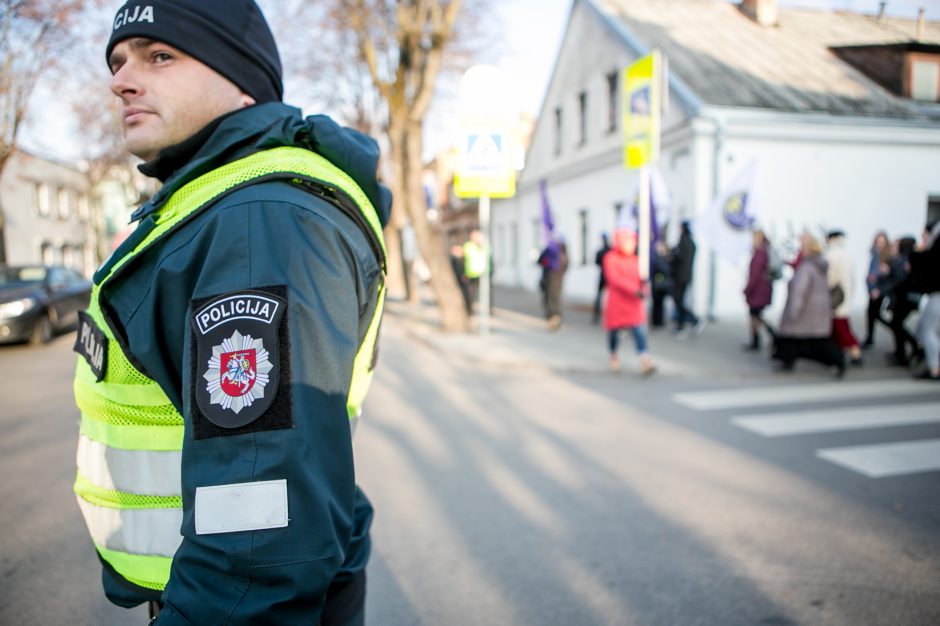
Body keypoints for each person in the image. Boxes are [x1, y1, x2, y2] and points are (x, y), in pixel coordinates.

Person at [71, 2, 390, 623]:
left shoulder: (255, 222)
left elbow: (258, 533)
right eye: (118, 61)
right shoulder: (216, 205)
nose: (121, 80)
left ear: (243, 84)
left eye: (159, 56)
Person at [774, 233, 845, 375]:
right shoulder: (820, 265)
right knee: (811, 340)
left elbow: (798, 291)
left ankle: (838, 359)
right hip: (818, 311)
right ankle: (837, 360)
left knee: (795, 338)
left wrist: (793, 311)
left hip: (806, 310)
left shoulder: (806, 267)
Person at [603, 229, 656, 375]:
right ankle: (613, 355)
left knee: (639, 330)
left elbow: (641, 278)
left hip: (633, 302)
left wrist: (645, 287)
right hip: (618, 302)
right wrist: (634, 290)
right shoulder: (611, 258)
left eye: (632, 242)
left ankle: (645, 359)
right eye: (628, 242)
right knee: (614, 331)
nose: (631, 245)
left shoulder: (636, 259)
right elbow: (614, 279)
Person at [881, 237, 920, 366]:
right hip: (901, 298)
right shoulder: (903, 259)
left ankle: (914, 347)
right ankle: (902, 352)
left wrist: (888, 273)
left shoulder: (906, 260)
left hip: (904, 298)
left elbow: (900, 279)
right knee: (896, 324)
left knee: (896, 324)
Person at [826, 230, 863, 365]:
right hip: (844, 295)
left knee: (840, 326)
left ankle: (855, 352)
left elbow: (830, 278)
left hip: (836, 297)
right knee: (838, 326)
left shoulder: (831, 255)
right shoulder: (846, 254)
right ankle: (838, 353)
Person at [909, 221, 940, 380]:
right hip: (934, 294)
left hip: (937, 295)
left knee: (927, 330)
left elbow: (927, 265)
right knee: (927, 329)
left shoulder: (935, 246)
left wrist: (918, 252)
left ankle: (934, 368)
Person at [670, 220, 705, 336]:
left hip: (681, 276)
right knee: (679, 300)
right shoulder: (691, 242)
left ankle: (692, 321)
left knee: (678, 300)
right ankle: (685, 323)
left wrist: (671, 254)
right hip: (686, 276)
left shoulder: (684, 242)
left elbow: (679, 258)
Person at [743, 229, 773, 351]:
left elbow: (754, 276)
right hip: (761, 290)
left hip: (758, 291)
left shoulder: (760, 254)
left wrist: (747, 289)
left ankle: (763, 337)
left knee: (755, 316)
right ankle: (757, 339)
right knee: (756, 316)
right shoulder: (763, 252)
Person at [862, 230, 891, 348]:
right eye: (878, 241)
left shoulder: (886, 256)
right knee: (870, 314)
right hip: (873, 289)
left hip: (879, 290)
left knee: (876, 315)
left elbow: (886, 274)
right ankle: (870, 338)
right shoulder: (875, 254)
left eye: (882, 242)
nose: (879, 244)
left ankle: (895, 329)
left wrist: (877, 289)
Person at [537, 238, 568, 331]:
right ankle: (554, 319)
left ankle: (553, 320)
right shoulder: (560, 256)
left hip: (552, 280)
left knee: (552, 300)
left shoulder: (558, 256)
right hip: (554, 280)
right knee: (555, 299)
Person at [462, 230, 488, 314]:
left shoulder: (482, 246)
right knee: (470, 294)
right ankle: (469, 309)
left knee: (482, 293)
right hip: (469, 274)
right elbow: (463, 260)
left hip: (480, 273)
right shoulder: (468, 246)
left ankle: (485, 309)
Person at [649, 240, 672, 328]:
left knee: (659, 303)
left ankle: (658, 321)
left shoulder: (664, 257)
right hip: (657, 283)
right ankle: (656, 321)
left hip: (660, 284)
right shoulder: (658, 257)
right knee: (657, 303)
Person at [592, 233, 611, 324]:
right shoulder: (610, 250)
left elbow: (597, 262)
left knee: (600, 296)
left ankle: (597, 315)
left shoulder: (602, 251)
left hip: (605, 275)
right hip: (608, 276)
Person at [450, 243, 472, 315]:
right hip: (457, 281)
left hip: (464, 281)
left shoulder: (464, 258)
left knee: (466, 296)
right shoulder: (453, 259)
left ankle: (468, 310)